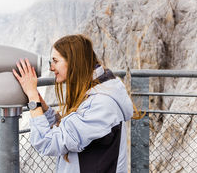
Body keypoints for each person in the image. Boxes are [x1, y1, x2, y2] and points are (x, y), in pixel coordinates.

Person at [12, 34, 141, 173]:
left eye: (55, 61)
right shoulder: (97, 91)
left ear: (74, 62)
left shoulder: (101, 104)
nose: (51, 68)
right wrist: (44, 109)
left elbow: (47, 143)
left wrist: (32, 99)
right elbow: (73, 131)